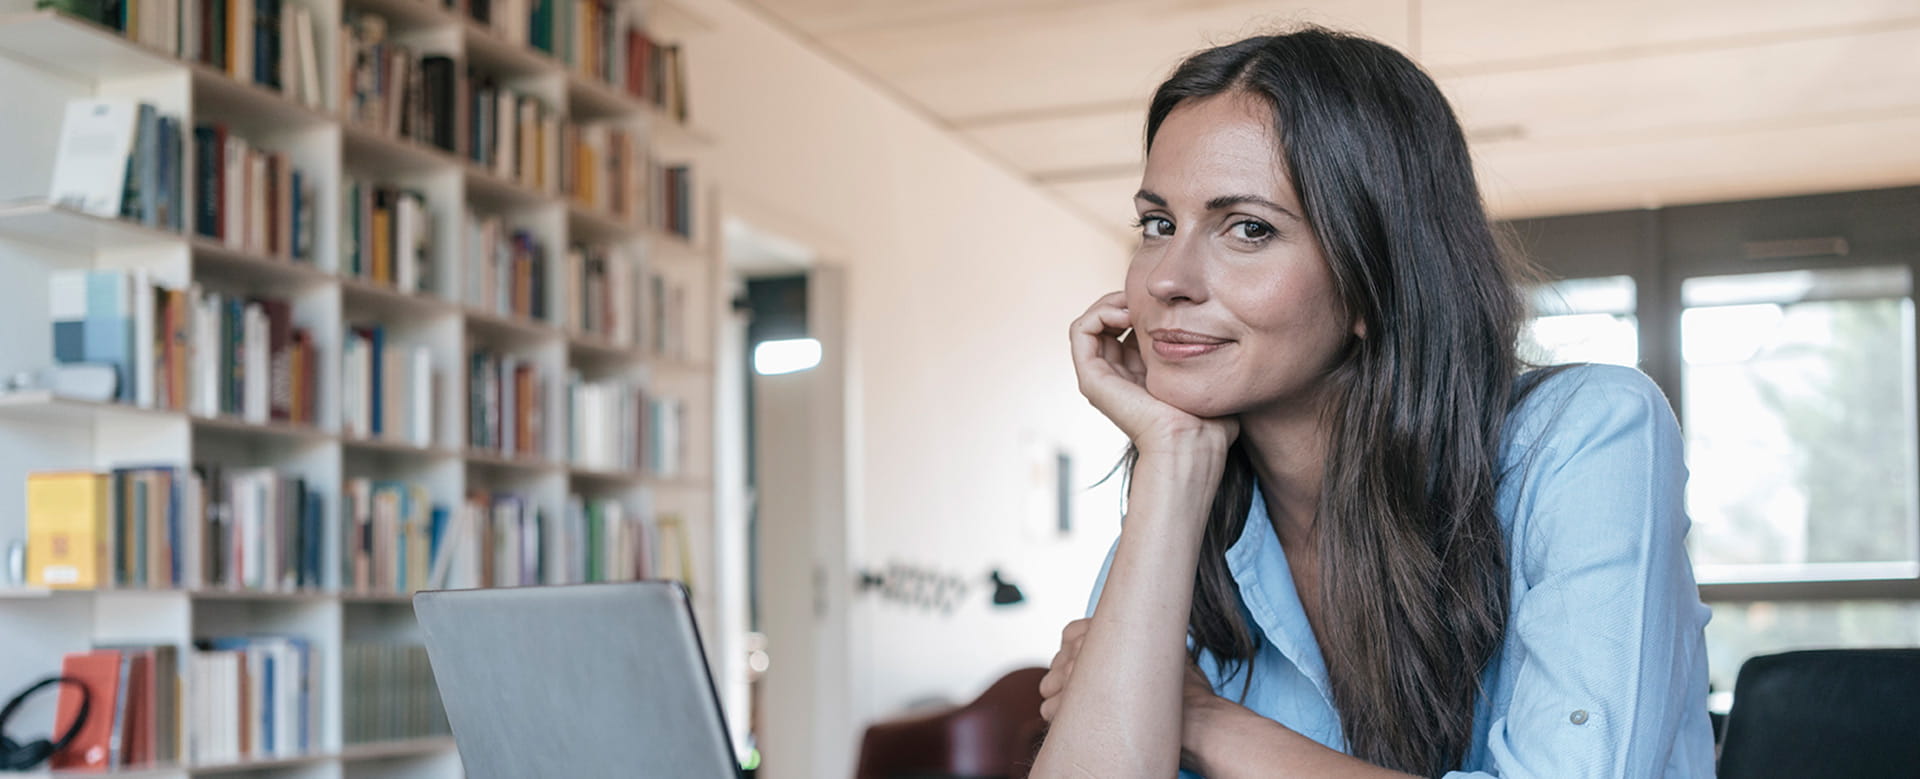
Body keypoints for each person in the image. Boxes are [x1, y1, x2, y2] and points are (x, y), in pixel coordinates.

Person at [1030, 26, 1715, 779]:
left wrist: (1202, 720)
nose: (1167, 278)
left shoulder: (1589, 432)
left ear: (1373, 279)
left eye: (1248, 228)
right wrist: (1174, 460)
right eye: (1158, 224)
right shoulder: (1177, 511)